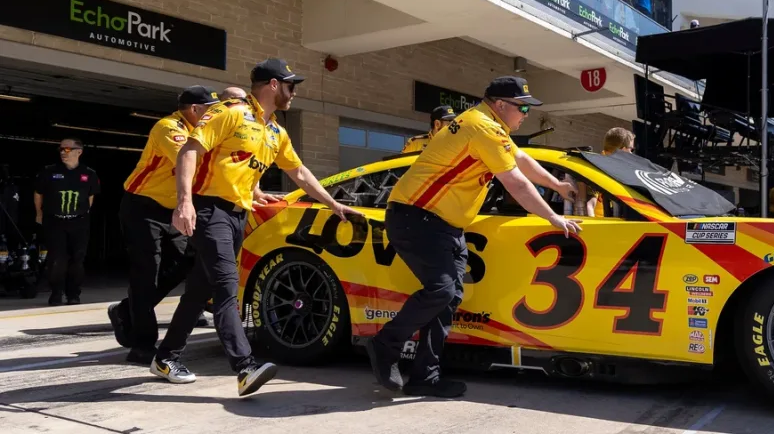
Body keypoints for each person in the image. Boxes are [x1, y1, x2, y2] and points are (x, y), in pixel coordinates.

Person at [152, 58, 364, 396]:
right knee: (226, 289)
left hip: (238, 215)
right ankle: (245, 366)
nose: (295, 93)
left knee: (199, 291)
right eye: (291, 86)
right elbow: (189, 151)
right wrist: (185, 202)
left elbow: (301, 173)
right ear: (274, 85)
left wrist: (333, 204)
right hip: (210, 210)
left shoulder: (276, 130)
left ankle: (165, 357)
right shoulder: (230, 113)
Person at [367, 76, 582, 398]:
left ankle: (426, 376)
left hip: (444, 225)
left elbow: (521, 159)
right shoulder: (483, 128)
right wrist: (551, 216)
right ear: (499, 105)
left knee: (449, 297)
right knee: (441, 291)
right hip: (417, 217)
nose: (526, 113)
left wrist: (558, 186)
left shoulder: (489, 127)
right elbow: (517, 183)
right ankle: (386, 343)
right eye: (522, 107)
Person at [109, 86, 219, 363]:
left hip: (173, 209)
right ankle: (143, 345)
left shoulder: (202, 133)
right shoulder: (168, 128)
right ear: (195, 110)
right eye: (211, 111)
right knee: (146, 273)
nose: (215, 117)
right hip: (142, 207)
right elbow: (194, 161)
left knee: (186, 263)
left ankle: (125, 309)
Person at [34, 138, 101, 306]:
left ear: (79, 151)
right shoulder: (49, 171)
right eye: (61, 149)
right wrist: (39, 213)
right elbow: (38, 193)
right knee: (57, 259)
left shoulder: (89, 174)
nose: (63, 152)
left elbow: (90, 197)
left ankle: (74, 294)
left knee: (77, 259)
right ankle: (56, 293)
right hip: (54, 221)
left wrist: (81, 214)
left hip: (79, 222)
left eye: (68, 149)